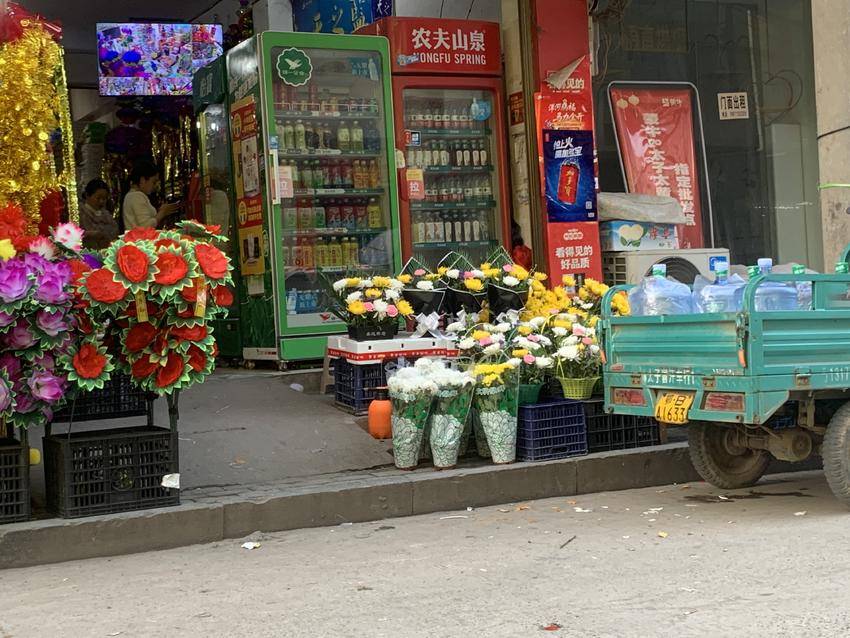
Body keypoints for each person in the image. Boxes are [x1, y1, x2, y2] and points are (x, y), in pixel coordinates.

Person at [122, 160, 181, 230]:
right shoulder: (136, 196)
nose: (156, 186)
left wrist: (161, 211)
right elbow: (145, 227)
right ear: (142, 180)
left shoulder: (133, 195)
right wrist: (162, 213)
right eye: (154, 182)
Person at [79, 179, 119, 249]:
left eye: (104, 198)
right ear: (87, 195)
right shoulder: (80, 214)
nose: (101, 201)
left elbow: (115, 231)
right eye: (98, 198)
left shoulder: (106, 214)